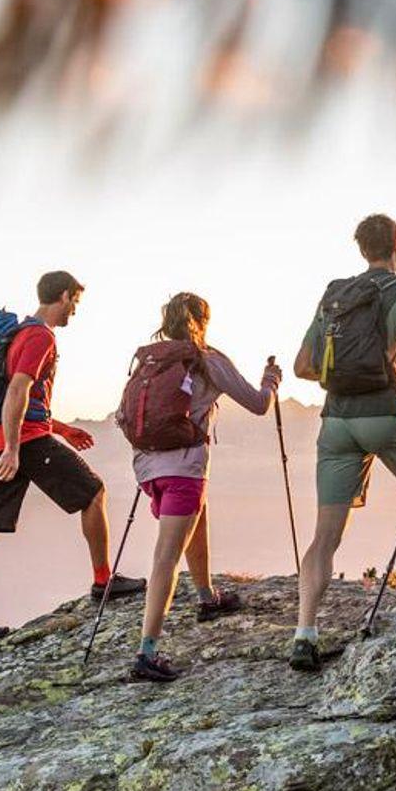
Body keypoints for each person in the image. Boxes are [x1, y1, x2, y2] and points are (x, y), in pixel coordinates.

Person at [289, 214, 396, 672]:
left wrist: (343, 374)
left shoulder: (335, 296)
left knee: (324, 537)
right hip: (384, 414)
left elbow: (302, 365)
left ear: (362, 250)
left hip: (336, 421)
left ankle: (304, 634)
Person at [0, 270, 143, 646]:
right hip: (25, 444)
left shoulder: (18, 334)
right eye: (76, 302)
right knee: (94, 492)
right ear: (65, 295)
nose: (75, 310)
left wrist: (61, 429)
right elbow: (17, 392)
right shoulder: (40, 336)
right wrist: (14, 448)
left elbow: (22, 400)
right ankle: (104, 581)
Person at [125, 291, 282, 683]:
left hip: (148, 467)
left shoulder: (152, 360)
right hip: (184, 470)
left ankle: (207, 597)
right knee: (166, 557)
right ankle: (147, 652)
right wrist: (271, 381)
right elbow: (259, 403)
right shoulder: (208, 360)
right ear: (203, 321)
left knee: (198, 519)